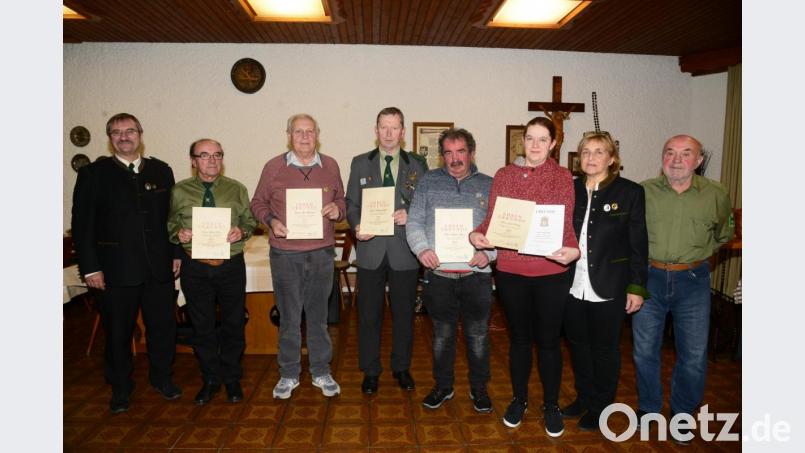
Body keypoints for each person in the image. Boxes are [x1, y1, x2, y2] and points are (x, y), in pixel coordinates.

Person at [469, 116, 579, 436]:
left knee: (547, 342)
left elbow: (566, 225)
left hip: (551, 272)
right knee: (518, 339)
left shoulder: (562, 177)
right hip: (511, 272)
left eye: (542, 139)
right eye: (529, 138)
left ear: (553, 143)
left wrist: (573, 250)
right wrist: (477, 235)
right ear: (523, 141)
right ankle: (519, 399)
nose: (534, 145)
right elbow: (491, 221)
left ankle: (551, 404)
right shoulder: (504, 175)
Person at [71, 113, 182, 414]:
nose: (124, 137)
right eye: (116, 132)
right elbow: (82, 226)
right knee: (118, 333)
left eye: (129, 131)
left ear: (140, 134)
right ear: (110, 138)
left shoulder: (161, 171)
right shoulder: (93, 175)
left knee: (163, 328)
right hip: (115, 271)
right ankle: (120, 388)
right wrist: (91, 268)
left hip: (158, 269)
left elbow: (172, 218)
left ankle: (162, 378)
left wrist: (175, 253)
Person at [632, 134, 733, 445]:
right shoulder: (643, 192)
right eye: (670, 152)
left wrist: (696, 257)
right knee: (644, 351)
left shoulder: (715, 193)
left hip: (693, 281)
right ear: (662, 157)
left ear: (698, 160)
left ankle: (682, 414)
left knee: (693, 353)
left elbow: (723, 232)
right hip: (649, 278)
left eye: (686, 153)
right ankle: (649, 408)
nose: (676, 160)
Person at [251, 113, 346, 399]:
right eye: (298, 132)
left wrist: (337, 210)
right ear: (289, 135)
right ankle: (289, 374)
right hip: (285, 255)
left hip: (321, 253)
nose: (304, 137)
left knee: (318, 318)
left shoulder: (330, 165)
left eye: (309, 131)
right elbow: (257, 203)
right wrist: (270, 221)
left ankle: (320, 371)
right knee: (289, 318)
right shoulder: (273, 167)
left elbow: (341, 199)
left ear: (318, 134)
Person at [560, 132, 648, 431]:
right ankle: (584, 397)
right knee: (578, 346)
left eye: (599, 152)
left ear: (612, 158)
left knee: (605, 349)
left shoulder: (630, 192)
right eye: (586, 151)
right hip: (572, 284)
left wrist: (637, 287)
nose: (591, 157)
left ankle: (601, 406)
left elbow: (639, 244)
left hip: (610, 285)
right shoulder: (569, 189)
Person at [405, 128, 495, 412]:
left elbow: (502, 229)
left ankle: (479, 389)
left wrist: (489, 254)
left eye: (461, 151)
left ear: (471, 152)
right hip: (439, 276)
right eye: (448, 152)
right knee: (442, 336)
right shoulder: (428, 182)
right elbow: (414, 222)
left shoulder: (490, 185)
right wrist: (422, 250)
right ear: (442, 155)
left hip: (477, 278)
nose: (455, 158)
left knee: (478, 336)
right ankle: (443, 386)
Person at [345, 107, 428, 395]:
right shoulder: (360, 163)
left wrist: (411, 215)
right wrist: (356, 226)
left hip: (405, 249)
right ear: (376, 130)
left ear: (403, 132)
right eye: (384, 127)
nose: (389, 133)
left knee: (405, 314)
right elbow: (351, 204)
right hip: (370, 250)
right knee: (368, 314)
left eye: (395, 127)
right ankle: (370, 370)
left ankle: (401, 367)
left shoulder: (417, 164)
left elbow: (425, 204)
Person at [167, 139, 257, 405]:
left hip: (230, 265)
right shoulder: (179, 191)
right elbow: (170, 224)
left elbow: (250, 221)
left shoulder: (236, 189)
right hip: (195, 267)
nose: (212, 160)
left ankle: (231, 377)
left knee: (233, 322)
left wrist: (242, 230)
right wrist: (177, 233)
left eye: (217, 155)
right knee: (202, 325)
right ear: (193, 160)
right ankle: (210, 378)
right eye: (204, 156)